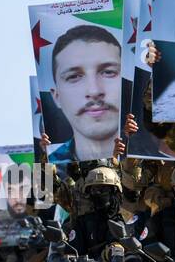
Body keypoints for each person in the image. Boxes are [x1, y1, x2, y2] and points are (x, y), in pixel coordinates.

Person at [46, 25, 122, 164]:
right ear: (56, 97)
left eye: (108, 72)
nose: (94, 91)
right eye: (74, 76)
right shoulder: (48, 173)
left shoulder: (158, 158)